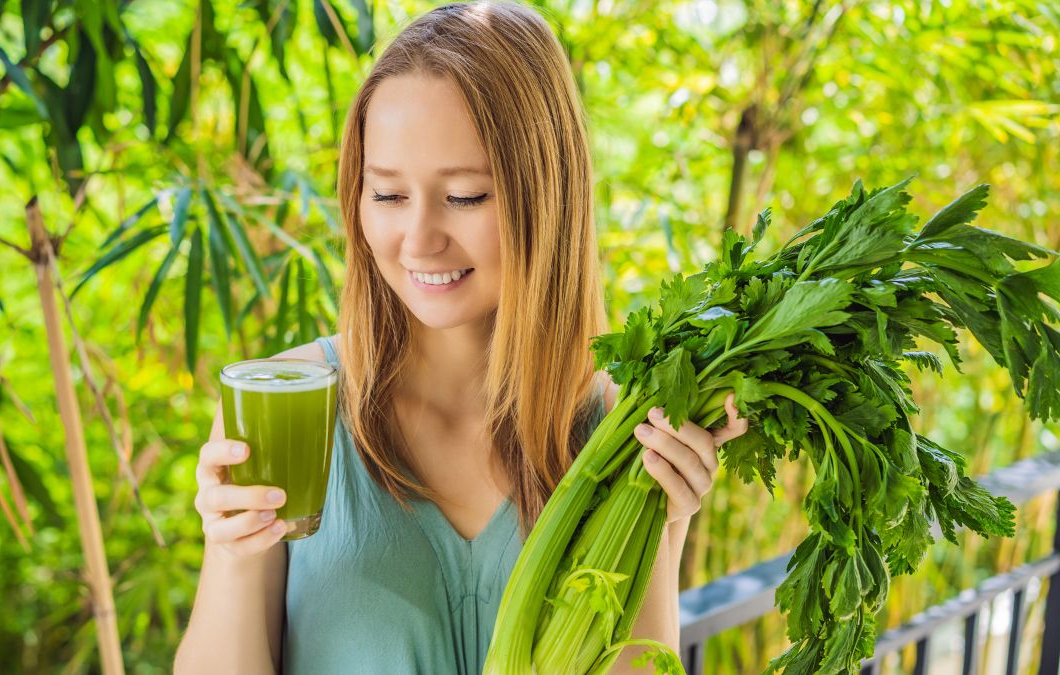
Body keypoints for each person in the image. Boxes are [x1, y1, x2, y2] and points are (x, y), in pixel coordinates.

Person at [174, 2, 747, 673]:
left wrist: (663, 524)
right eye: (388, 196)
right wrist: (234, 551)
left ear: (547, 196)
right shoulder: (287, 406)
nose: (418, 239)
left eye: (466, 196)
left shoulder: (623, 429)